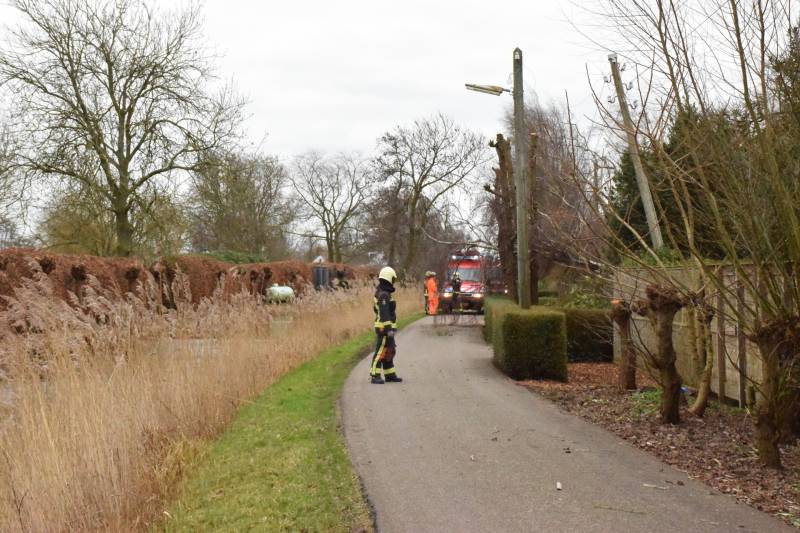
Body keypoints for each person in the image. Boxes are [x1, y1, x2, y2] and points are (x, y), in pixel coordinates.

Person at [370, 266, 402, 384]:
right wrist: (389, 329)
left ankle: (390, 374)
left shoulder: (383, 292)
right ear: (389, 278)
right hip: (384, 328)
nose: (394, 281)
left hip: (386, 328)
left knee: (389, 350)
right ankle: (375, 375)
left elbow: (376, 309)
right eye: (393, 279)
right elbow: (384, 313)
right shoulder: (384, 294)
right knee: (380, 352)